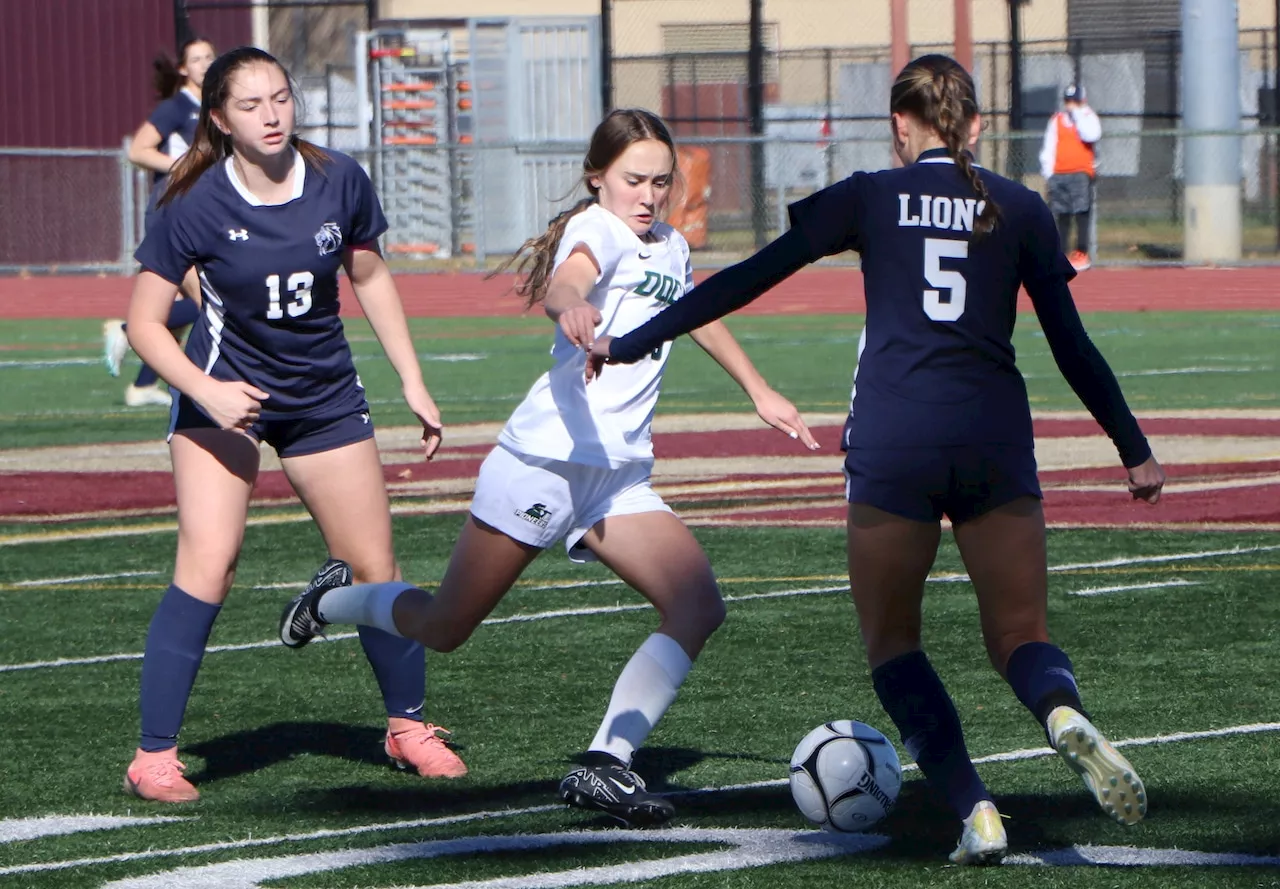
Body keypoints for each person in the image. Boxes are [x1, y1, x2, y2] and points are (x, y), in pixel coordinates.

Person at [587, 56, 1165, 864]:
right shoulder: (1023, 207)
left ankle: (975, 808)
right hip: (995, 436)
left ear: (901, 126)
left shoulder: (870, 194)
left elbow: (748, 278)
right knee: (1020, 633)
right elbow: (1072, 344)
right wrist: (1132, 448)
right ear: (975, 126)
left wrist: (631, 342)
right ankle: (1059, 708)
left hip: (895, 441)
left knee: (892, 641)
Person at [278, 107, 820, 827]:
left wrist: (759, 390)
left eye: (663, 181)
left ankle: (604, 763)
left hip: (615, 476)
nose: (650, 195)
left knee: (697, 604)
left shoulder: (669, 244)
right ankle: (331, 599)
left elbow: (695, 309)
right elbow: (568, 281)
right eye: (634, 179)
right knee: (444, 625)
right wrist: (570, 310)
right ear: (598, 178)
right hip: (545, 465)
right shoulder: (596, 229)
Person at [122, 45, 462, 803]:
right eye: (250, 105)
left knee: (374, 563)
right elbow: (143, 324)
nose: (271, 115)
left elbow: (369, 273)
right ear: (218, 118)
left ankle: (407, 727)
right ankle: (154, 755)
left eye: (280, 98)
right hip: (224, 402)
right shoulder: (194, 200)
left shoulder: (339, 177)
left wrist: (413, 378)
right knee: (210, 563)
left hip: (323, 397)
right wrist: (206, 390)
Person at [105, 37, 216, 407]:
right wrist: (185, 166)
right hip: (172, 209)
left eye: (209, 57)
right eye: (196, 59)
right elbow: (138, 150)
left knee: (185, 305)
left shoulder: (212, 105)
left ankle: (142, 386)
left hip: (196, 209)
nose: (205, 64)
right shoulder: (177, 107)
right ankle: (125, 330)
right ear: (183, 69)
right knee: (208, 300)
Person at [1039, 83, 1101, 272]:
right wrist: (1048, 172)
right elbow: (1049, 146)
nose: (1070, 105)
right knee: (1061, 215)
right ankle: (1061, 253)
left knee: (1081, 213)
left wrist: (1078, 116)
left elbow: (1091, 135)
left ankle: (1082, 253)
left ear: (1082, 101)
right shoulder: (1056, 120)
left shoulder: (1088, 117)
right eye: (1068, 101)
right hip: (1059, 174)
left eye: (1075, 101)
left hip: (1080, 173)